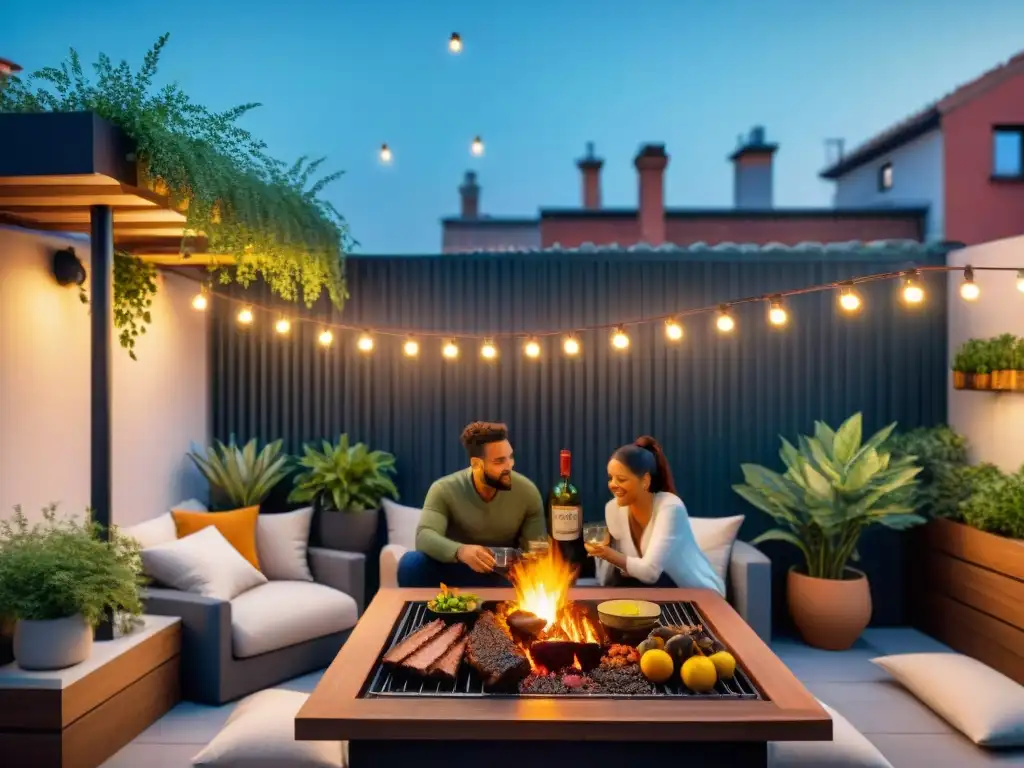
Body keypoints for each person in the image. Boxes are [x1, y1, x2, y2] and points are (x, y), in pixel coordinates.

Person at [397, 421, 548, 588]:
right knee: (411, 564)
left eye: (510, 457)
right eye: (499, 461)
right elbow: (424, 537)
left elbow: (537, 550)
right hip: (455, 570)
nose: (509, 466)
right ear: (476, 464)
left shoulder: (527, 491)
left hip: (503, 576)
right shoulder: (444, 489)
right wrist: (461, 551)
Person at [586, 436, 725, 595]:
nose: (613, 485)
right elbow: (631, 567)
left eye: (621, 479)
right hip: (656, 592)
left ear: (645, 480)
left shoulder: (670, 508)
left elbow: (649, 573)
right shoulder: (613, 509)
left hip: (698, 595)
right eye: (611, 478)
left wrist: (609, 555)